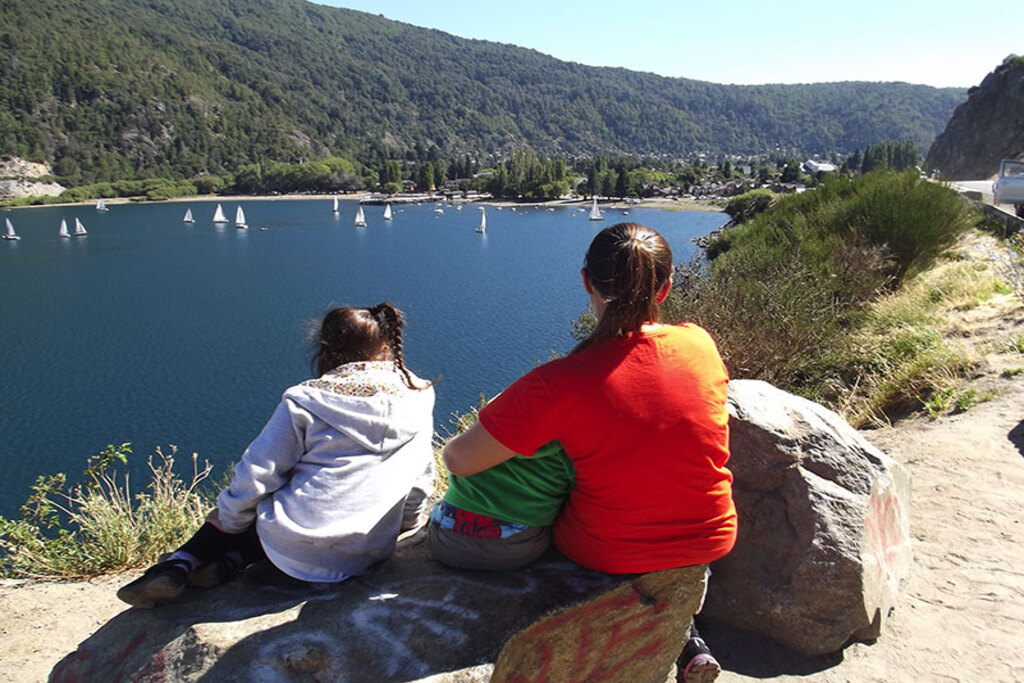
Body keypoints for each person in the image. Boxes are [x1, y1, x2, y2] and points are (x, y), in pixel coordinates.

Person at [437, 223, 736, 682]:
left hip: (606, 550)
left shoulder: (559, 383)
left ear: (586, 282)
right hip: (710, 536)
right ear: (667, 285)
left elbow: (458, 459)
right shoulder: (700, 343)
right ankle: (686, 638)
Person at [117, 302, 435, 608]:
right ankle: (229, 562)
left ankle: (179, 564)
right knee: (287, 521)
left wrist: (227, 522)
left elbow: (258, 473)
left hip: (292, 549)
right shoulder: (419, 394)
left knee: (248, 509)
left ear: (326, 348)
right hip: (368, 551)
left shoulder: (307, 400)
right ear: (387, 347)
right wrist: (405, 523)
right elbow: (421, 476)